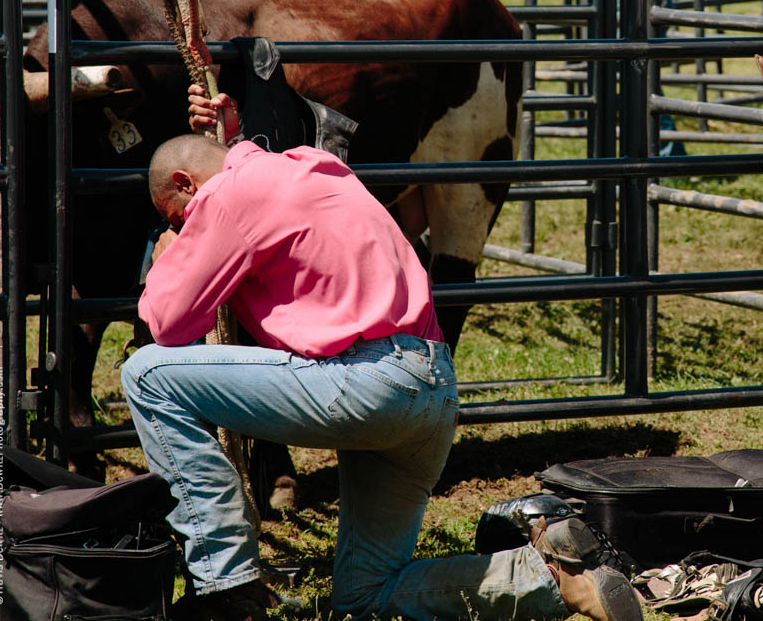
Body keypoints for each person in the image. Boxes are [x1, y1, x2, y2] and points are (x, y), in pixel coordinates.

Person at [121, 91, 643, 621]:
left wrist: (170, 254)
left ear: (186, 185)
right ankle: (549, 578)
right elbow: (253, 183)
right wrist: (230, 143)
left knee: (147, 376)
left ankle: (226, 588)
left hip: (364, 385)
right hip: (431, 391)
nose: (187, 226)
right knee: (364, 595)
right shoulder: (314, 165)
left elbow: (169, 324)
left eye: (179, 216)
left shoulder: (227, 195)